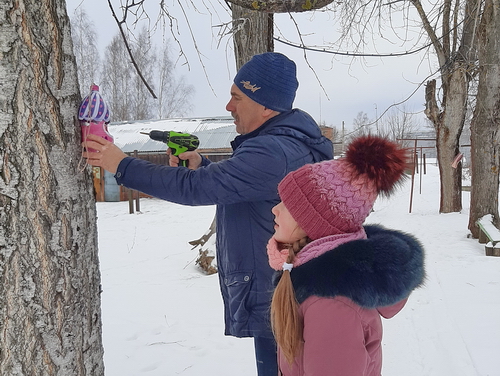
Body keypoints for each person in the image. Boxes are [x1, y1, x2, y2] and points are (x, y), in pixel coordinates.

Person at [83, 52, 334, 375]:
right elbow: (249, 188)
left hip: (276, 291)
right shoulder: (287, 144)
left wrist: (122, 165)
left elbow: (196, 189)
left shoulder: (272, 151)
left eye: (236, 97)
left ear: (267, 106)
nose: (229, 107)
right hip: (284, 286)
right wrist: (204, 166)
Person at [266, 135, 425, 375]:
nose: (275, 210)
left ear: (315, 223)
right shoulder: (306, 271)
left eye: (288, 205)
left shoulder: (330, 303)